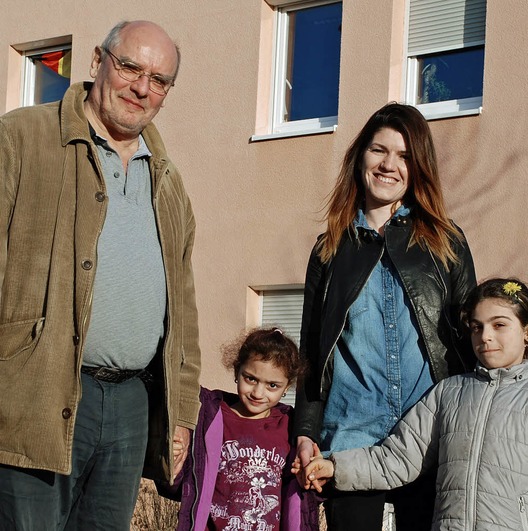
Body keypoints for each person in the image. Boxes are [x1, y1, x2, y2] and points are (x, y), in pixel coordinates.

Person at [0, 20, 201, 530]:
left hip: (132, 404)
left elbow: (183, 305)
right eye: (131, 67)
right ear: (97, 62)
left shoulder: (168, 178)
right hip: (36, 392)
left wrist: (181, 412)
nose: (142, 88)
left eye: (159, 80)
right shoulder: (22, 138)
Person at [293, 102, 476, 529]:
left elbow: (472, 342)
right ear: (361, 157)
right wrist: (305, 430)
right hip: (351, 439)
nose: (389, 165)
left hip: (430, 439)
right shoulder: (329, 248)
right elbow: (312, 350)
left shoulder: (446, 241)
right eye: (379, 150)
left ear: (419, 167)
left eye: (405, 155)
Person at [296, 279, 528, 530]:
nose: (485, 336)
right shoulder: (449, 393)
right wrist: (335, 466)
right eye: (477, 327)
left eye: (499, 325)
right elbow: (398, 458)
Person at [159, 327, 317, 531]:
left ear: (287, 387)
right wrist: (170, 460)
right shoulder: (210, 417)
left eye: (273, 385)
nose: (258, 393)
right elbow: (184, 485)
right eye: (251, 379)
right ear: (237, 371)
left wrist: (313, 477)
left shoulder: (290, 426)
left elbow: (301, 495)